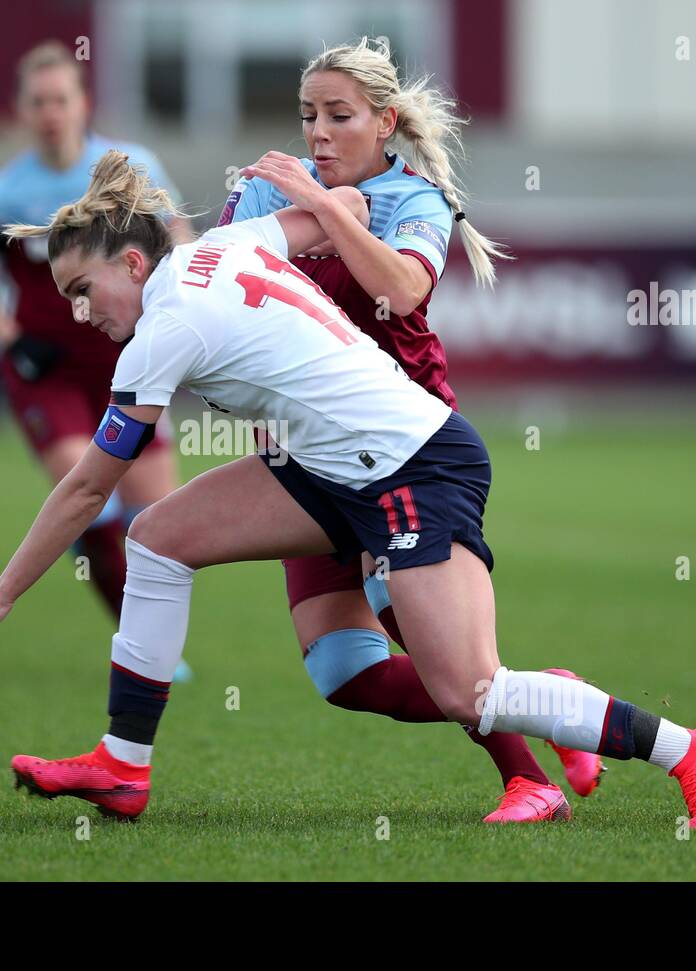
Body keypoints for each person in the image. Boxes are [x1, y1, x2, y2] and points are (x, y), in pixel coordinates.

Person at [0, 149, 696, 833]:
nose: (78, 313)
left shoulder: (163, 329)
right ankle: (122, 766)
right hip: (332, 467)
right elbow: (335, 214)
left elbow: (83, 493)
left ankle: (689, 748)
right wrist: (324, 194)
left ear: (134, 262)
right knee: (156, 540)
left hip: (412, 466)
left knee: (471, 689)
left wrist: (0, 596)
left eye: (82, 290)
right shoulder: (226, 247)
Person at [216, 37, 596, 821]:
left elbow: (400, 286)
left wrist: (323, 210)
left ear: (384, 121)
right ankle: (549, 699)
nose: (317, 132)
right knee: (345, 675)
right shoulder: (263, 193)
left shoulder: (414, 201)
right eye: (307, 115)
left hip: (401, 452)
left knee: (435, 651)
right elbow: (214, 285)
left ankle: (529, 781)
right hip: (300, 454)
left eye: (338, 115)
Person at [0, 41, 192, 679]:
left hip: (129, 363)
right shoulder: (5, 194)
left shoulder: (129, 168)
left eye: (61, 99)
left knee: (158, 523)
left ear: (83, 103)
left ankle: (154, 650)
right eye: (38, 102)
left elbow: (180, 237)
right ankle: (139, 647)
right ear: (22, 111)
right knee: (88, 492)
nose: (51, 112)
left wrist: (181, 309)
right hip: (49, 370)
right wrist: (10, 337)